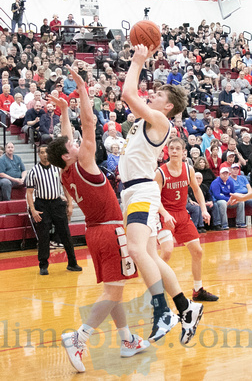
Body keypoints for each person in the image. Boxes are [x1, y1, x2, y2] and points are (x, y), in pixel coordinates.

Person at [46, 67, 149, 373]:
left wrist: (65, 110)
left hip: (93, 232)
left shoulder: (66, 171)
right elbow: (89, 122)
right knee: (114, 291)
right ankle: (80, 337)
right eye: (72, 146)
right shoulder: (85, 162)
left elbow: (66, 137)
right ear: (68, 155)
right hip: (110, 230)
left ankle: (127, 338)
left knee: (113, 289)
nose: (77, 143)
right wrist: (81, 89)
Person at [118, 44, 203, 345]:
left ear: (168, 107)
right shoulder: (147, 121)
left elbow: (128, 94)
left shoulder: (161, 121)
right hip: (134, 192)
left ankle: (162, 311)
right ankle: (185, 307)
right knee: (151, 255)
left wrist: (138, 61)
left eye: (158, 96)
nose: (151, 95)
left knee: (137, 251)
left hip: (141, 189)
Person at [155, 137, 218, 301]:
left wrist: (204, 210)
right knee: (167, 252)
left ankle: (198, 290)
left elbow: (197, 190)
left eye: (177, 148)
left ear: (184, 152)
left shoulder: (188, 169)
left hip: (182, 214)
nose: (174, 151)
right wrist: (165, 213)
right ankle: (155, 291)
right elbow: (153, 198)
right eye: (171, 148)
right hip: (164, 214)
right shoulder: (160, 172)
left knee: (197, 252)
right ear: (167, 150)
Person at [26, 145, 82, 275]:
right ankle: (43, 265)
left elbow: (65, 186)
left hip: (57, 203)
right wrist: (33, 210)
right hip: (42, 204)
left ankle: (72, 263)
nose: (44, 154)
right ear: (39, 154)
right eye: (42, 152)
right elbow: (29, 193)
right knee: (43, 236)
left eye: (46, 152)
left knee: (65, 234)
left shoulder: (58, 168)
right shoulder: (33, 171)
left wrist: (70, 204)